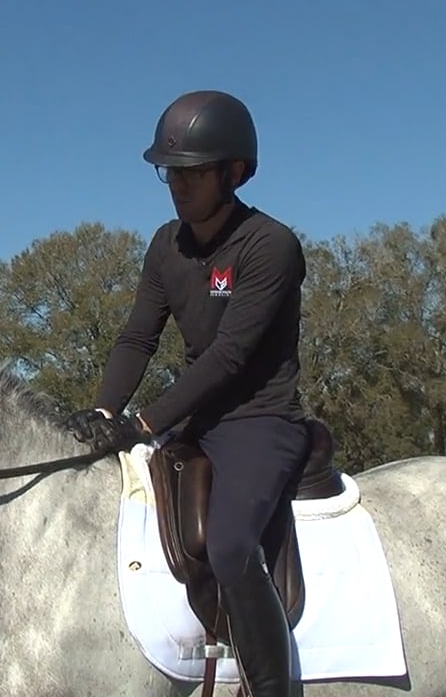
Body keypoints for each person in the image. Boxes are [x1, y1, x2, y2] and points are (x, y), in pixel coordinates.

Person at [65, 89, 310, 697]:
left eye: (193, 172)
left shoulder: (269, 246)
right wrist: (103, 413)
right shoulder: (165, 246)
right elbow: (137, 338)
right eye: (170, 172)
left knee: (228, 546)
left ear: (234, 171)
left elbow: (230, 357)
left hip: (261, 420)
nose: (178, 185)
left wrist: (144, 423)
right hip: (195, 422)